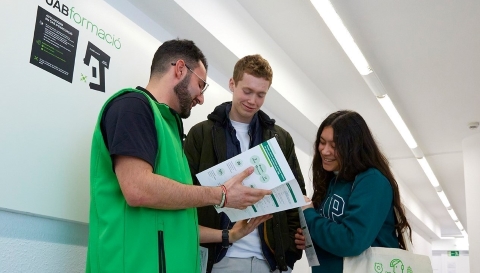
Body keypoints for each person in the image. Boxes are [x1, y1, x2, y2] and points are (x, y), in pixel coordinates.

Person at [86, 39, 272, 273]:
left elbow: (180, 221)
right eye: (200, 85)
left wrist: (230, 235)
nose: (201, 98)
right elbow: (137, 189)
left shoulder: (171, 132)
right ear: (180, 69)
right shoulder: (132, 106)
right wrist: (221, 195)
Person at [184, 54, 306, 273]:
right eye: (247, 91)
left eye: (261, 95)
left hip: (271, 261)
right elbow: (184, 194)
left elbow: (296, 196)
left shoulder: (281, 139)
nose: (253, 101)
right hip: (219, 258)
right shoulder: (201, 134)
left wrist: (289, 254)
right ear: (232, 83)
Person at [299, 110, 412, 273]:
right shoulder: (331, 181)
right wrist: (312, 239)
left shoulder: (372, 180)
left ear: (353, 147)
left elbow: (351, 241)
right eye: (322, 142)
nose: (325, 151)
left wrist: (308, 214)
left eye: (334, 146)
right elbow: (333, 234)